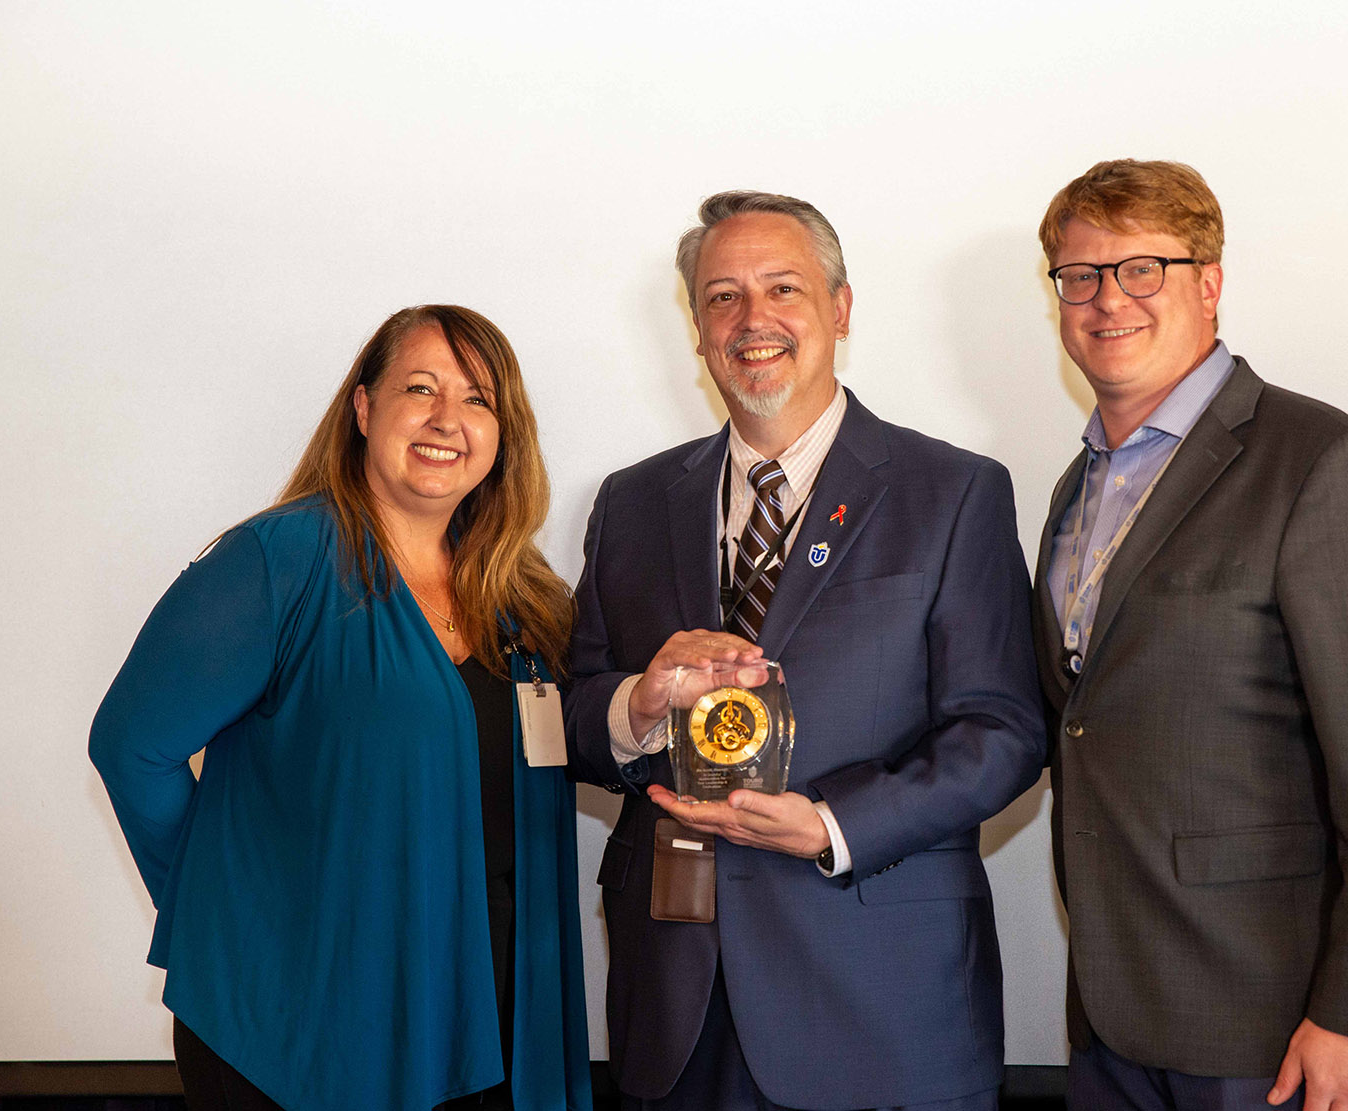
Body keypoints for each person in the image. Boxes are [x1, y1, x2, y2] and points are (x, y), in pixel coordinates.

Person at [564, 191, 1047, 1111]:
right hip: (676, 1010)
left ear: (840, 308)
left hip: (876, 1002)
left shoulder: (951, 492)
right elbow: (578, 714)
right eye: (721, 296)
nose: (752, 320)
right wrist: (634, 706)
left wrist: (831, 826)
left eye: (782, 288)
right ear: (697, 329)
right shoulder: (630, 503)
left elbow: (1004, 731)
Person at [1031, 159, 1348, 1111]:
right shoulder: (1078, 489)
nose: (1108, 299)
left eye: (1143, 269)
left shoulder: (1326, 464)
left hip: (1278, 1027)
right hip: (1114, 1017)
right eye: (1080, 275)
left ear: (1209, 282)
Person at [90, 305, 591, 1110]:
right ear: (363, 409)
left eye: (476, 400)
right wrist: (223, 914)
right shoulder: (276, 562)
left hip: (484, 1014)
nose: (445, 419)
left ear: (503, 433)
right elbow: (130, 746)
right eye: (419, 388)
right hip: (302, 1020)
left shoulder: (523, 598)